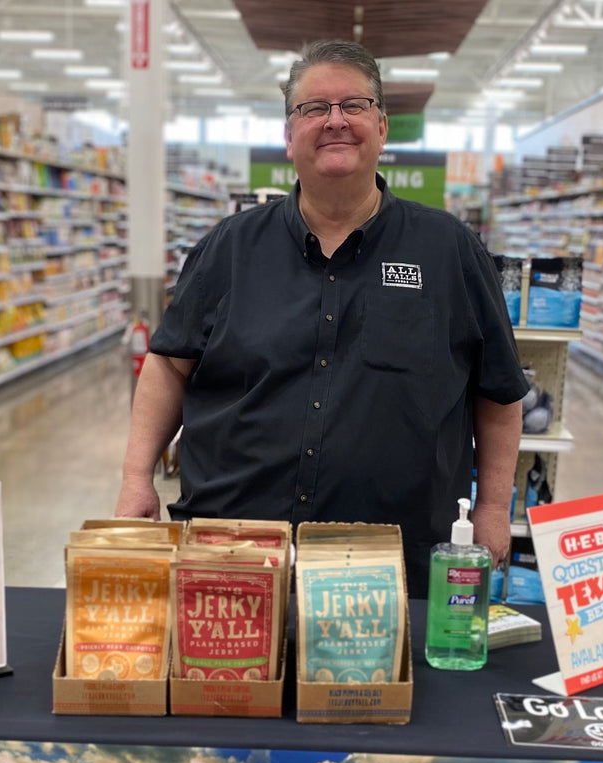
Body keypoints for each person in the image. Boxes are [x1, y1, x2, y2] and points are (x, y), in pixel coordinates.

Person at [115, 39, 527, 597]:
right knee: (226, 685)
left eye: (353, 105)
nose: (335, 121)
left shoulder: (450, 250)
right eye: (313, 108)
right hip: (233, 550)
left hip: (392, 563)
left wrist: (495, 508)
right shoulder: (228, 248)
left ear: (382, 129)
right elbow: (168, 368)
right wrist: (136, 476)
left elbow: (498, 393)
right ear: (289, 136)